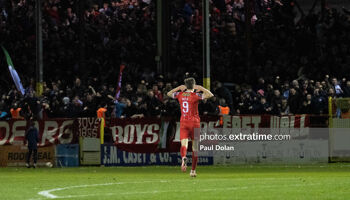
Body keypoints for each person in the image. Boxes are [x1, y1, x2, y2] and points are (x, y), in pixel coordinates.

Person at [167, 77, 213, 177]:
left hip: (184, 122)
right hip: (195, 123)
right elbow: (210, 95)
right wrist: (201, 88)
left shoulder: (180, 94)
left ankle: (183, 157)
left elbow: (169, 93)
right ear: (194, 85)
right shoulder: (195, 95)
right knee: (195, 148)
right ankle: (192, 171)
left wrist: (179, 87)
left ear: (185, 85)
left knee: (184, 145)